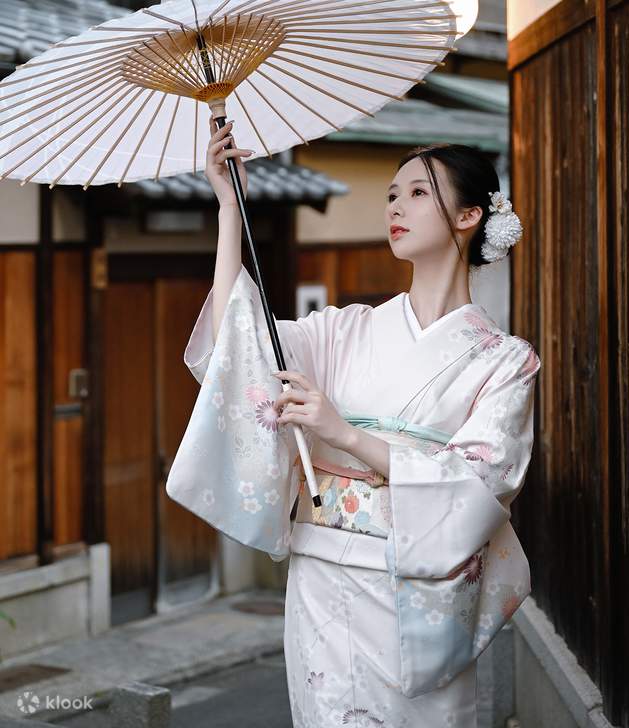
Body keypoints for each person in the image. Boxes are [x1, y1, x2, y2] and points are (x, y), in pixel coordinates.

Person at [167, 116, 539, 726]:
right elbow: (241, 352)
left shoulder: (504, 360)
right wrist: (229, 210)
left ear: (470, 216)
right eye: (392, 193)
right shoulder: (344, 330)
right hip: (319, 571)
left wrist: (344, 433)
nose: (397, 204)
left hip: (417, 589)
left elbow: (484, 480)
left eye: (419, 191)